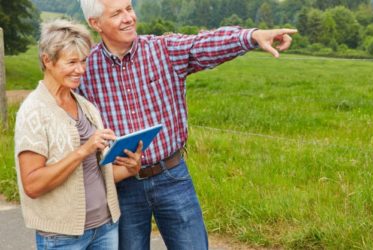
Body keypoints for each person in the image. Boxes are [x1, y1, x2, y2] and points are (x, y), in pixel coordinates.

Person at [78, 0, 297, 249]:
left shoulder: (163, 49)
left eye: (129, 8)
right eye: (117, 13)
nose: (128, 17)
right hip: (122, 185)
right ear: (95, 23)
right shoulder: (85, 69)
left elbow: (204, 44)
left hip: (172, 176)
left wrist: (253, 36)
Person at [14, 19, 143, 250]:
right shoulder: (33, 112)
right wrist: (84, 150)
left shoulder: (86, 107)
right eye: (72, 62)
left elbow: (94, 175)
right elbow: (32, 185)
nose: (80, 70)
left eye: (83, 61)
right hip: (62, 237)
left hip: (105, 227)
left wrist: (129, 169)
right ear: (47, 61)